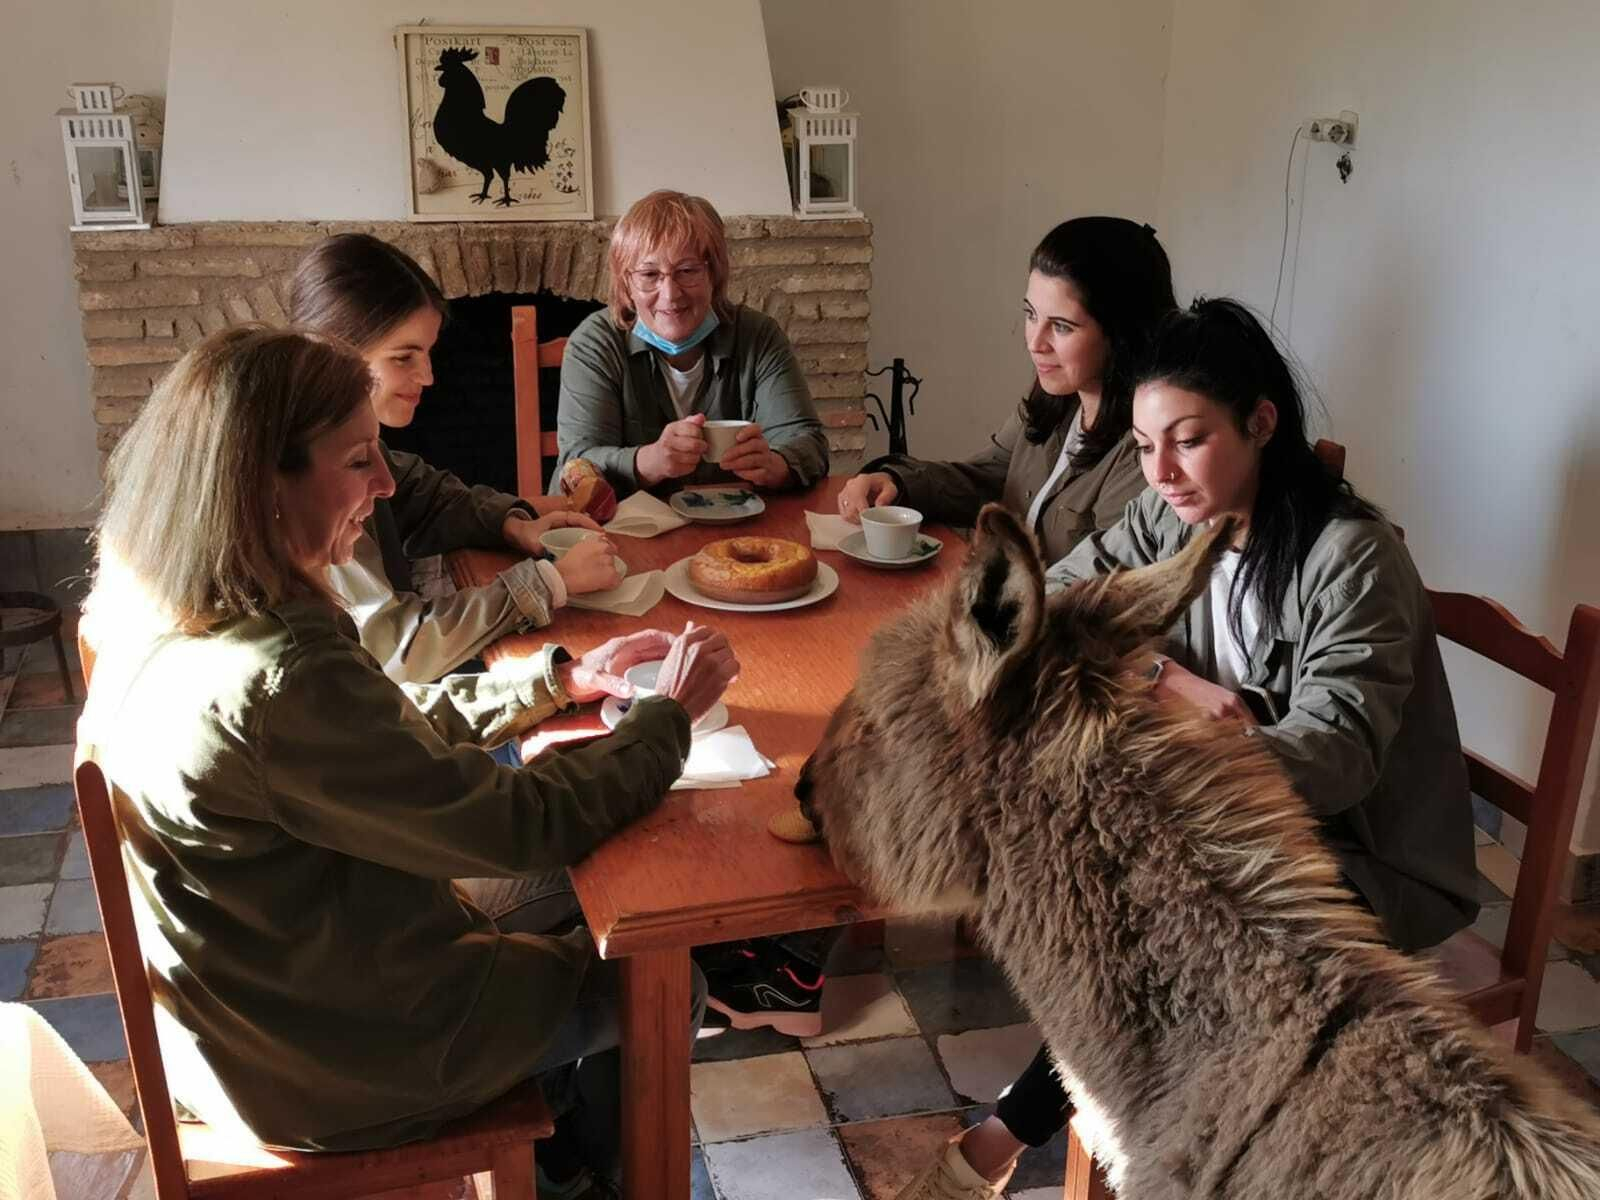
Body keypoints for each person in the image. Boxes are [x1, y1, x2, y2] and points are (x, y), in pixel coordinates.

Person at [78, 326, 739, 1196]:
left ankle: (556, 1150)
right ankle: (587, 1179)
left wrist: (557, 679)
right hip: (333, 1059)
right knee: (661, 977)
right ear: (261, 483)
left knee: (583, 886)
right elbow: (520, 824)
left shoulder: (167, 610)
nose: (387, 485)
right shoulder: (281, 673)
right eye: (359, 461)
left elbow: (377, 732)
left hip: (262, 1003)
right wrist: (663, 720)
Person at [895, 298, 1480, 1200]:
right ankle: (1058, 1140)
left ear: (1261, 423)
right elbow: (1055, 604)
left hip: (1362, 856)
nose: (1161, 472)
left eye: (1190, 440)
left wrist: (1185, 727)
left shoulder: (1352, 561)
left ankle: (1006, 1141)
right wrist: (1168, 680)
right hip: (1246, 824)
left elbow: (1335, 761)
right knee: (1096, 891)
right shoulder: (1177, 518)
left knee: (1160, 933)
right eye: (1143, 446)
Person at [290, 232, 621, 686]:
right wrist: (550, 582)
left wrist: (512, 524)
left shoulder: (342, 438)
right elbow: (399, 651)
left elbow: (419, 490)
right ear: (334, 351)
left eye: (427, 354)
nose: (427, 376)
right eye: (404, 358)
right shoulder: (314, 477)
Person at [836, 216, 1176, 562]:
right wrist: (895, 481)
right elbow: (988, 477)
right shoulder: (1054, 400)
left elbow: (1101, 582)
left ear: (1122, 335)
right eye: (1031, 315)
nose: (1035, 342)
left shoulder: (1147, 453)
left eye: (1061, 326)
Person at [555, 189, 829, 497]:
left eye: (687, 271)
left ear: (715, 274)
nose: (670, 295)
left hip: (736, 521)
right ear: (627, 283)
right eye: (649, 274)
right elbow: (574, 464)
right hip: (627, 525)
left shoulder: (757, 335)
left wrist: (777, 464)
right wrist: (649, 461)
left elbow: (808, 442)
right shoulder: (595, 343)